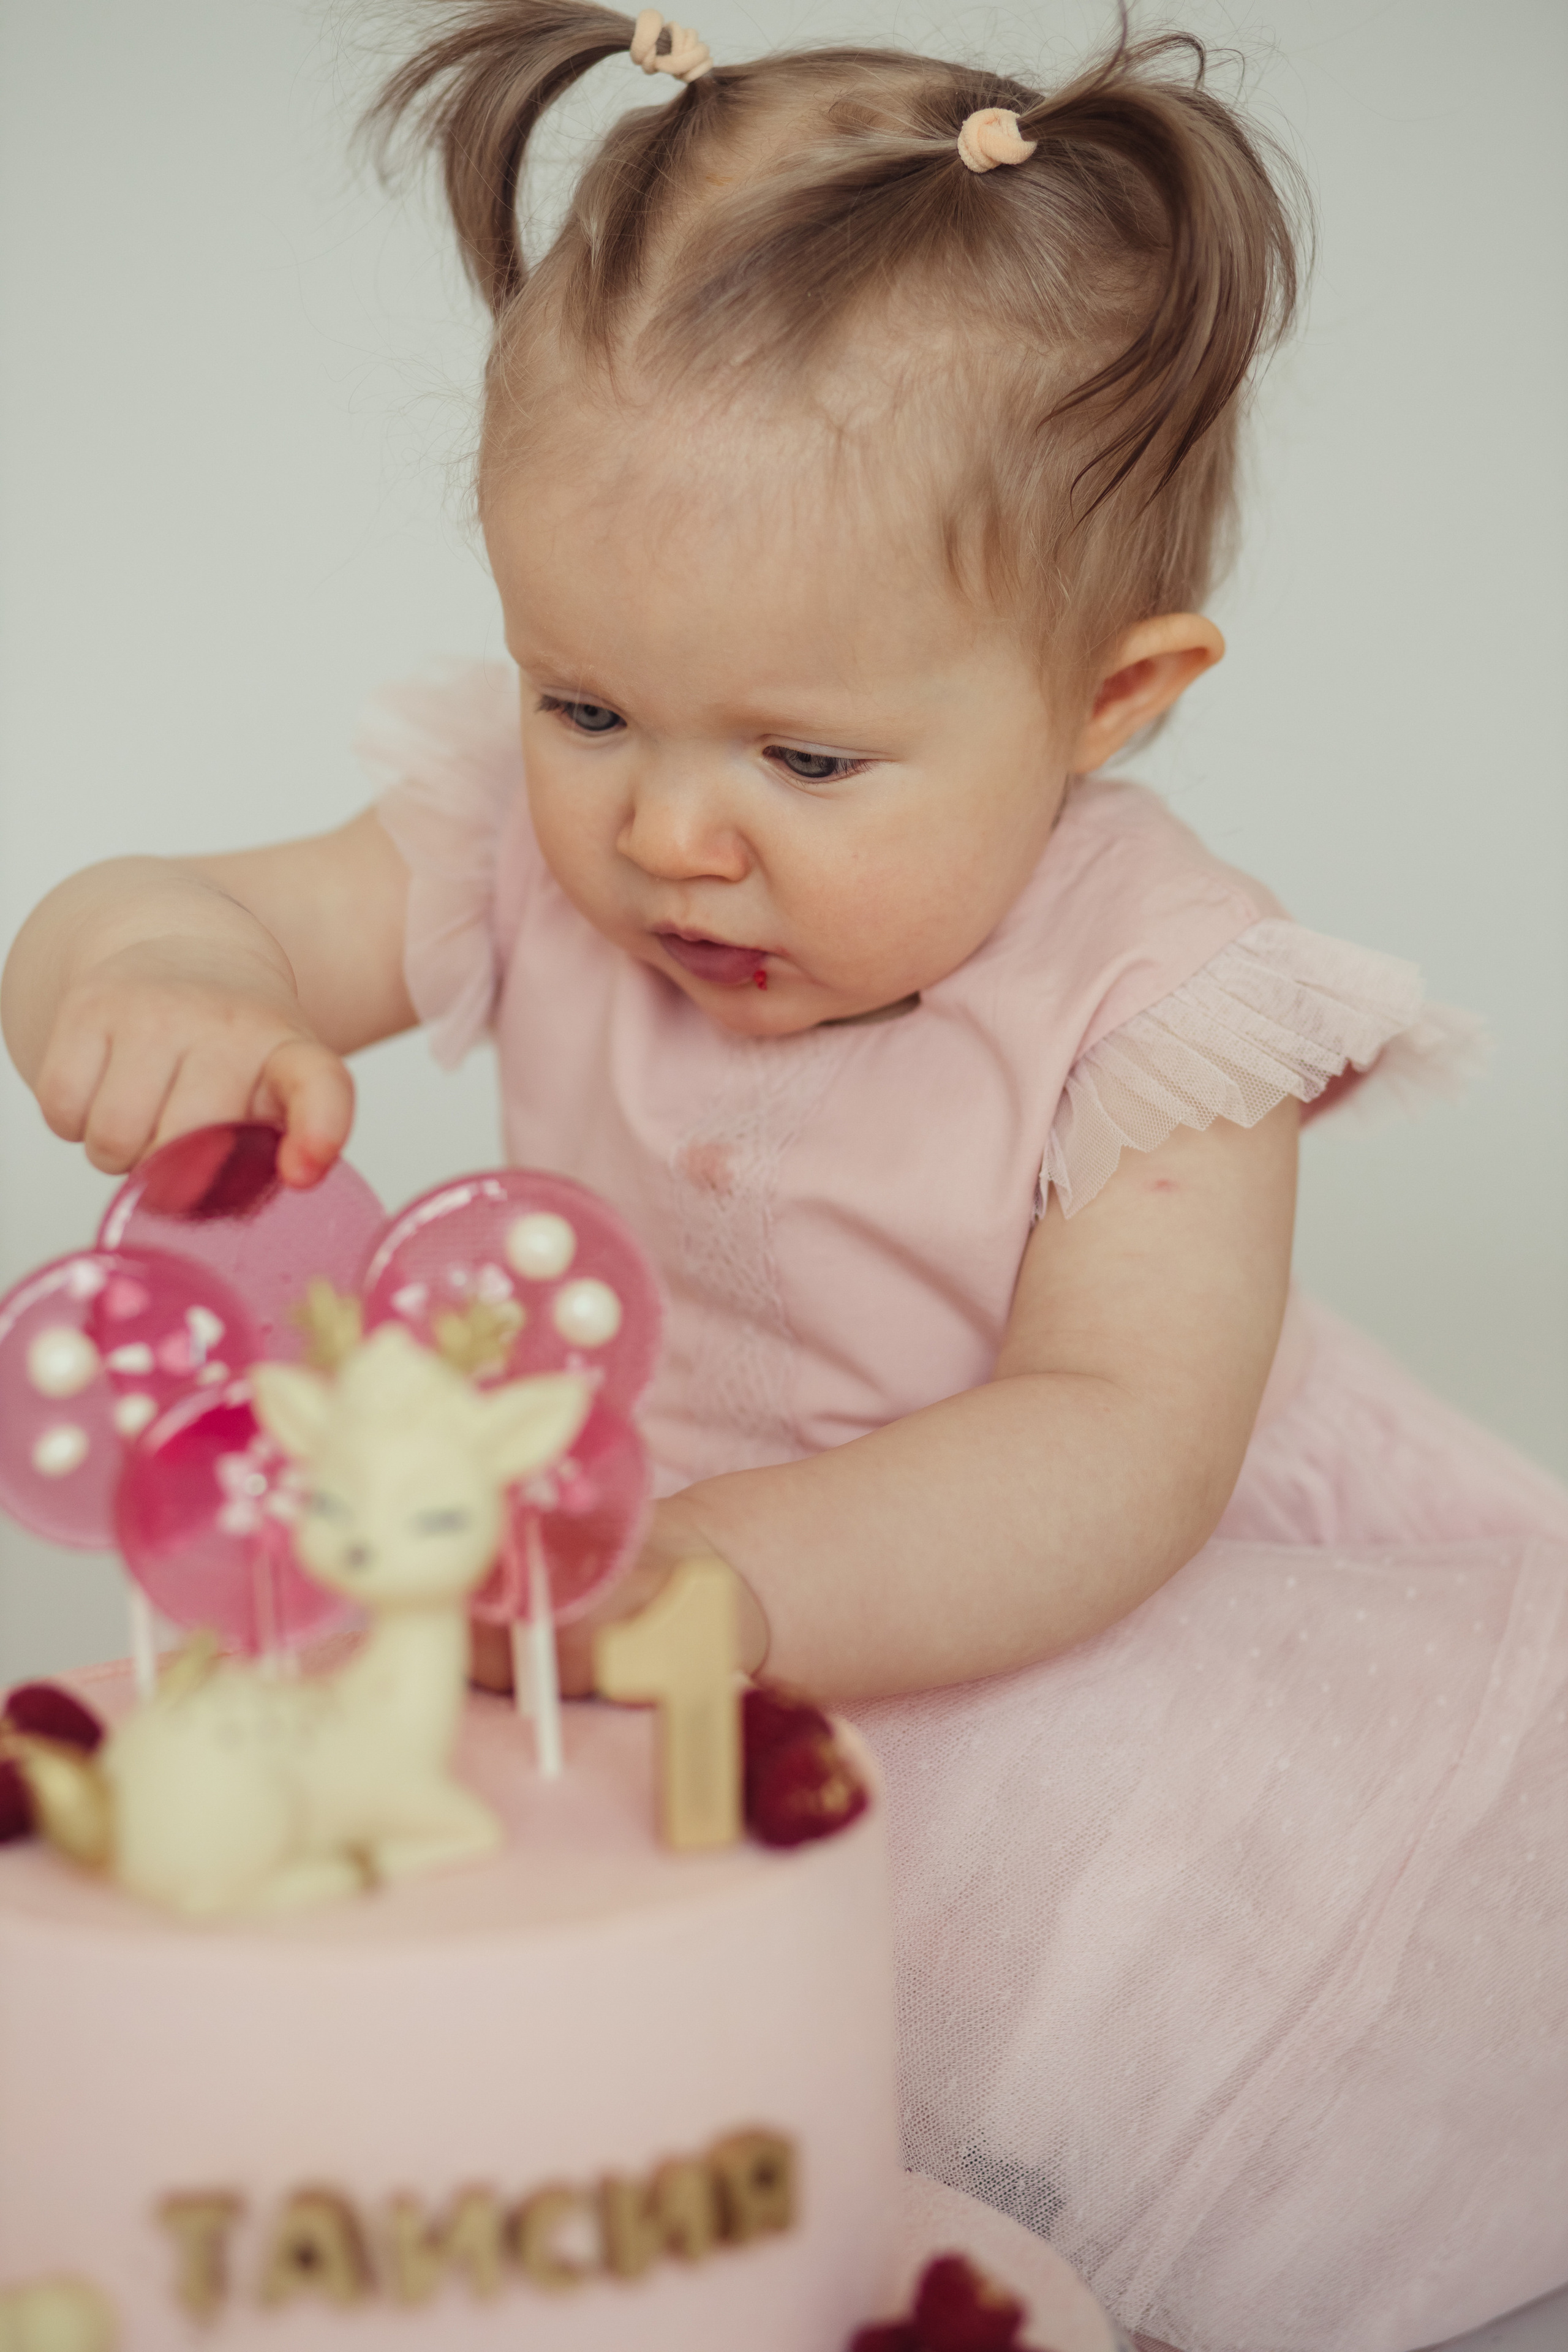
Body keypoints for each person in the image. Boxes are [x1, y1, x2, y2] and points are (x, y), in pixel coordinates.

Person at [2, 9, 1564, 2346]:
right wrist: (153, 980)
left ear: (1113, 697)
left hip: (1006, 1606)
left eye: (809, 754)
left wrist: (733, 1576)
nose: (666, 828)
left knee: (1030, 2026)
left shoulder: (1169, 1003)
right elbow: (195, 899)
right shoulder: (531, 859)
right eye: (586, 704)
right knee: (461, 2006)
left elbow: (1119, 1441)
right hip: (592, 1573)